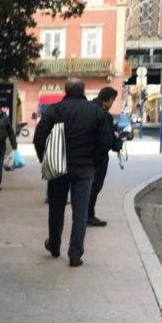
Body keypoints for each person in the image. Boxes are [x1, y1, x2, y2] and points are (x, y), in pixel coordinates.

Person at [33, 75, 115, 267]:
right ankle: (75, 253)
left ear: (66, 90)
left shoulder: (55, 110)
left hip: (58, 165)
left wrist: (45, 158)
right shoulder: (97, 112)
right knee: (80, 211)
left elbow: (39, 136)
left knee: (56, 208)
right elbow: (106, 141)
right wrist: (95, 160)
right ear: (83, 91)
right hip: (85, 167)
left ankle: (54, 245)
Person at [87, 86, 120, 227]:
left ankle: (83, 215)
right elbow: (106, 140)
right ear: (109, 99)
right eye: (113, 100)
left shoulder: (88, 108)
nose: (112, 103)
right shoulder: (104, 115)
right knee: (94, 187)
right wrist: (115, 136)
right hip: (98, 158)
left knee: (84, 187)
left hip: (83, 154)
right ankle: (88, 215)